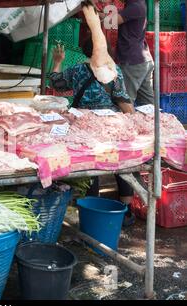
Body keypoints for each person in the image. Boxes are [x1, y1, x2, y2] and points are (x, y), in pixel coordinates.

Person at [49, 37, 137, 226]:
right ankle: (127, 210)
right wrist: (133, 118)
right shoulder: (114, 71)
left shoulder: (77, 69)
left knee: (93, 164)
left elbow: (56, 83)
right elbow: (122, 98)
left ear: (86, 50)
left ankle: (92, 207)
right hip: (110, 123)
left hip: (84, 123)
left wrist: (57, 61)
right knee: (120, 161)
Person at [110, 0, 154, 106]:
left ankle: (128, 122)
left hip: (133, 62)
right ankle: (152, 121)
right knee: (147, 104)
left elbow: (109, 22)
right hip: (142, 61)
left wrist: (92, 11)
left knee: (125, 102)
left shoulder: (135, 6)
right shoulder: (137, 4)